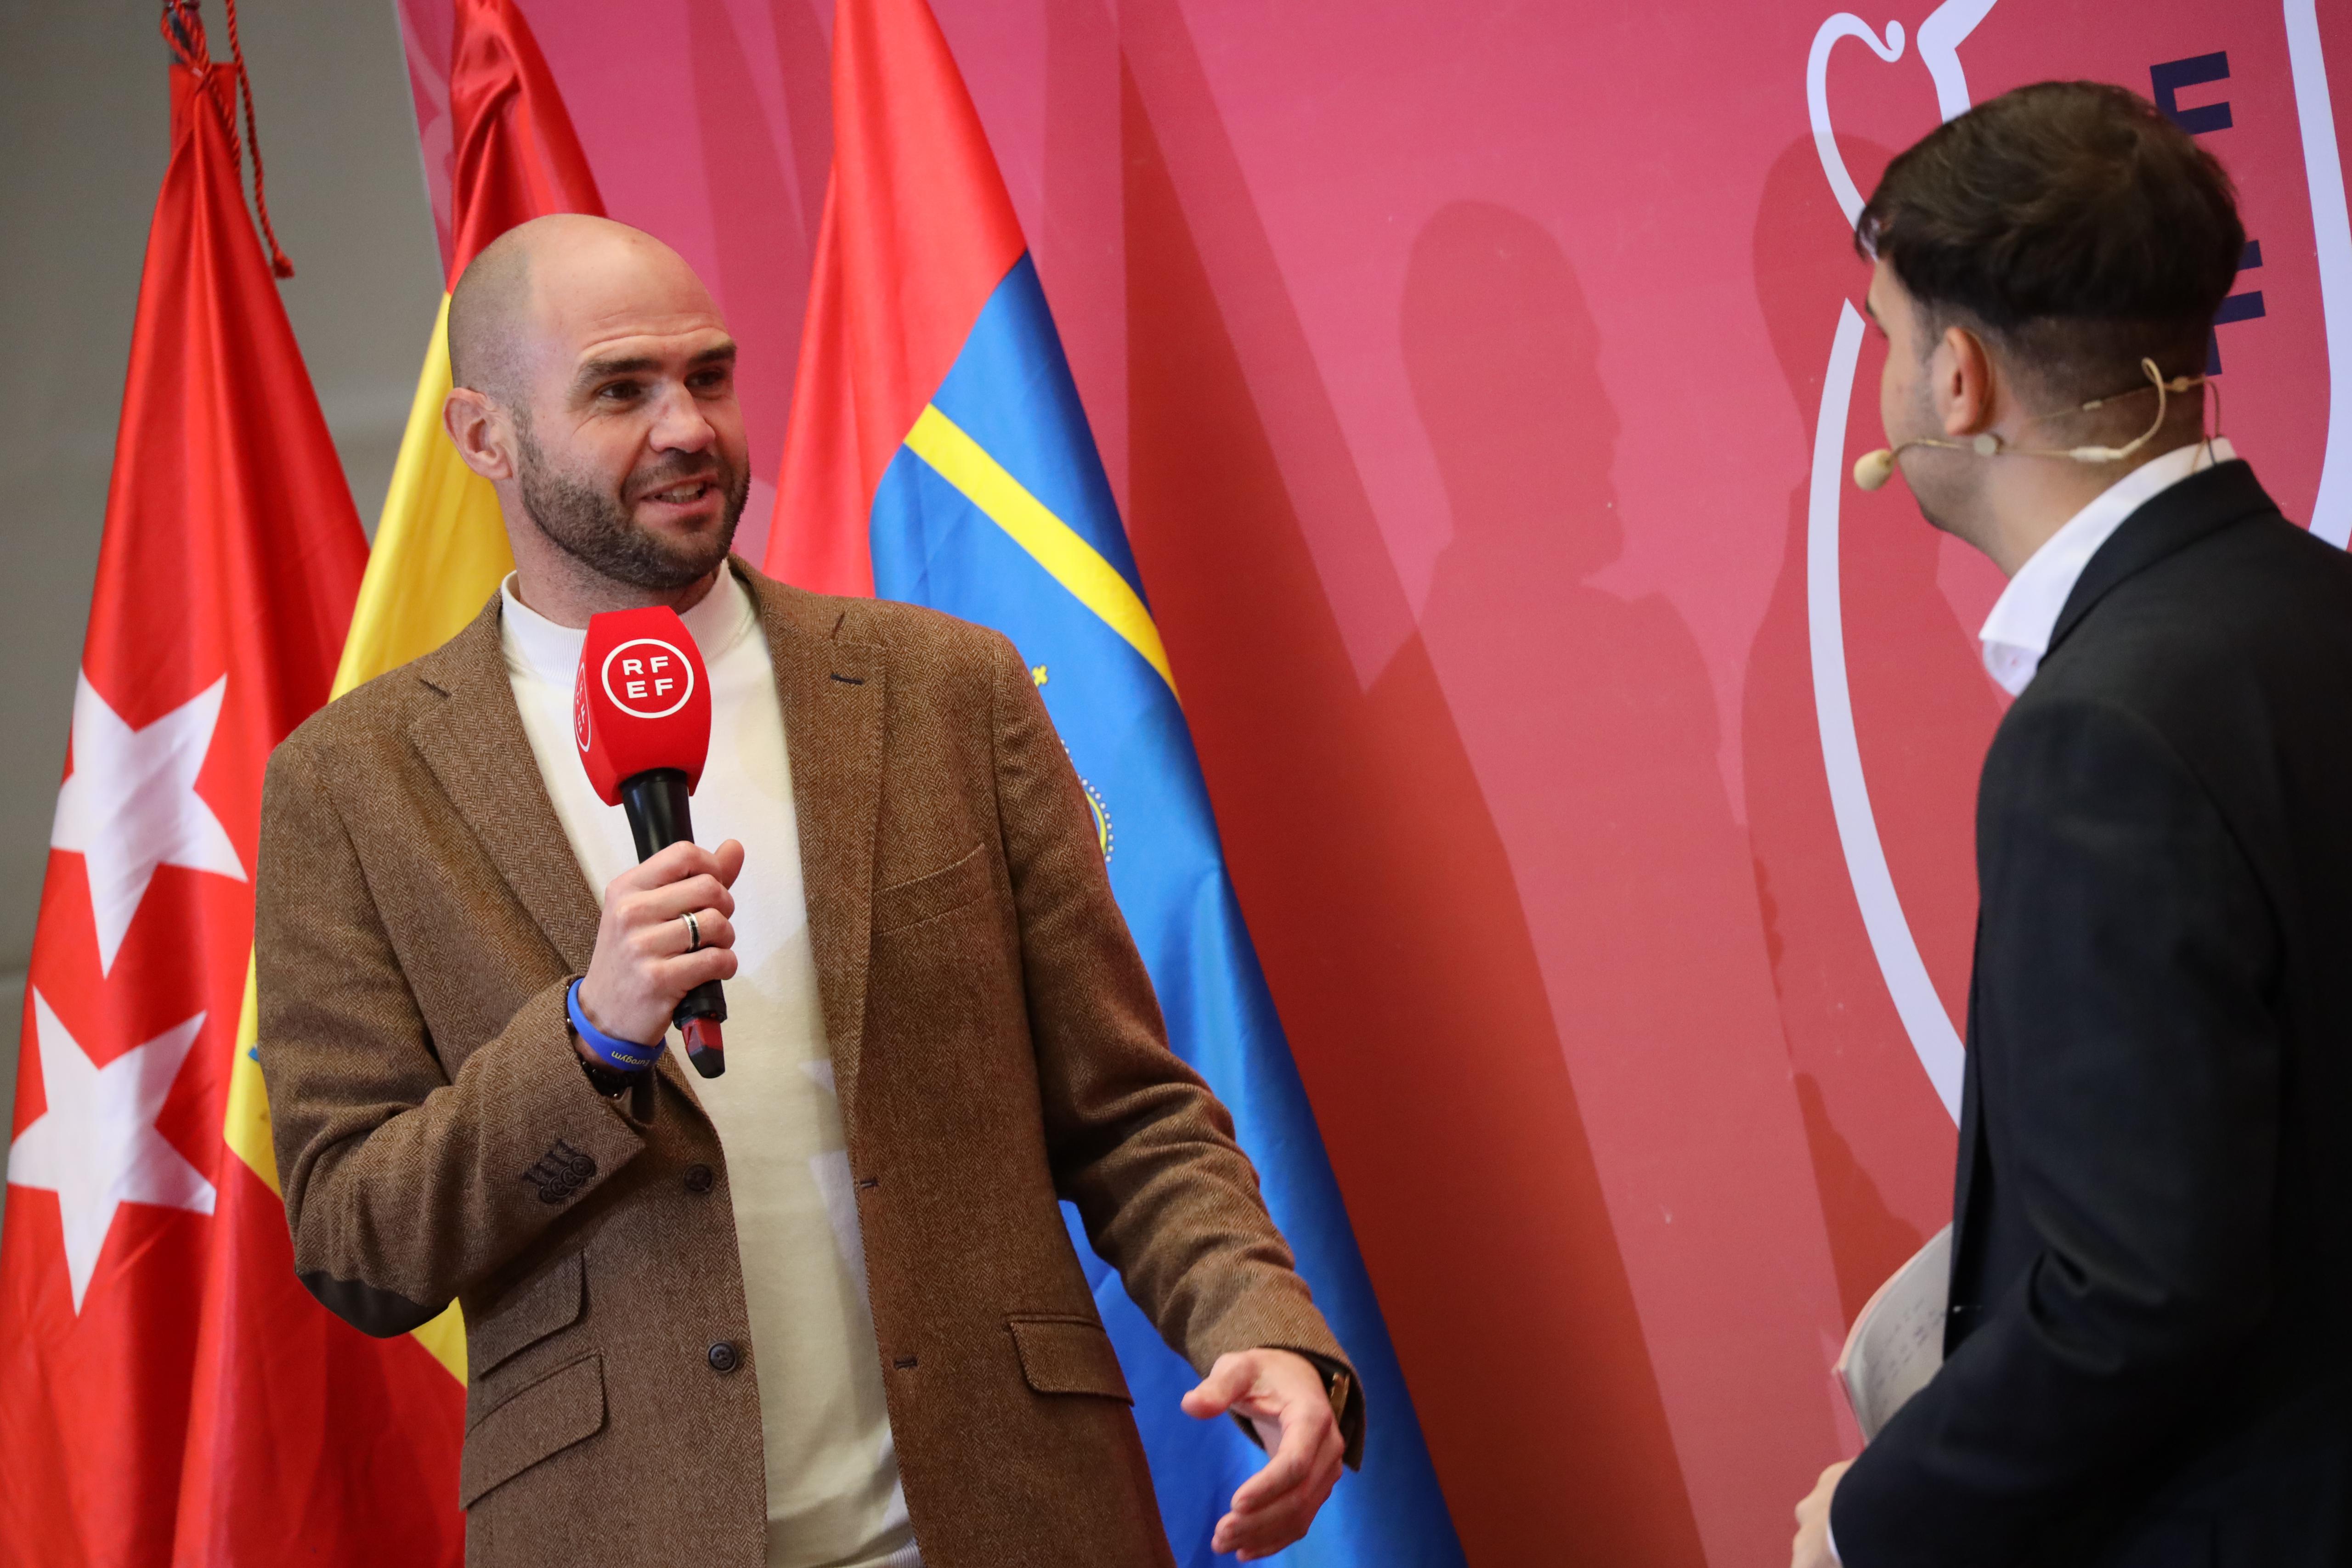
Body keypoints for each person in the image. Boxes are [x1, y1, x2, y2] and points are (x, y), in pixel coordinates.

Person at [254, 213, 1358, 1568]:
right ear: (484, 436)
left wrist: (1255, 1320)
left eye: (708, 377)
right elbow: (357, 1241)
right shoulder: (353, 784)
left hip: (1012, 1517)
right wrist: (588, 1040)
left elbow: (1125, 1107)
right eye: (621, 390)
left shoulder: (947, 689)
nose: (687, 428)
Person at [1792, 81, 2352, 1568]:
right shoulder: (2323, 612)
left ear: (1957, 379)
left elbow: (2142, 1292)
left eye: (1890, 339)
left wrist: (1870, 1520)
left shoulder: (2099, 734)